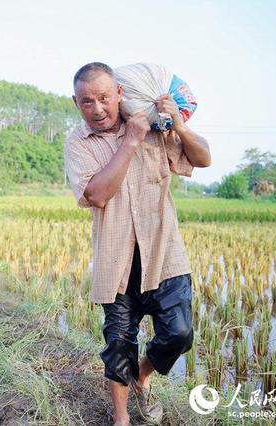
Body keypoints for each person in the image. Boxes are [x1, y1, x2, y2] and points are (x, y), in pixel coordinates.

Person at [63, 62, 211, 426]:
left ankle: (143, 376)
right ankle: (121, 418)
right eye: (86, 102)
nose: (96, 109)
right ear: (75, 103)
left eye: (102, 98)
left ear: (118, 94)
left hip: (165, 254)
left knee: (179, 334)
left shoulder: (155, 128)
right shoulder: (78, 143)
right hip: (116, 261)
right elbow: (97, 194)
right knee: (118, 345)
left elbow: (203, 158)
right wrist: (129, 140)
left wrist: (177, 123)